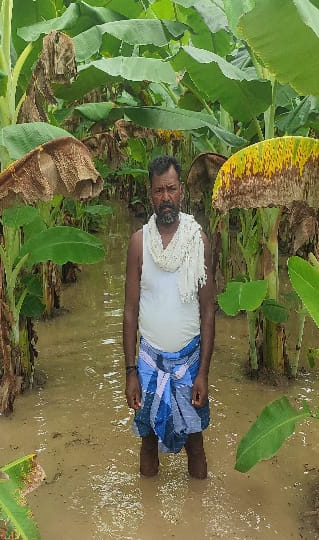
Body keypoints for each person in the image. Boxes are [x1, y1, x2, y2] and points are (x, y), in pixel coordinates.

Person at [122, 155, 215, 479]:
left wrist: (202, 372)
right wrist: (131, 371)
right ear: (150, 195)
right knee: (147, 443)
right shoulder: (139, 243)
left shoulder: (197, 241)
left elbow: (207, 313)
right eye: (159, 191)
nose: (165, 198)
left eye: (171, 189)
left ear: (182, 192)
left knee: (195, 442)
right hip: (149, 362)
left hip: (189, 363)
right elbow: (130, 312)